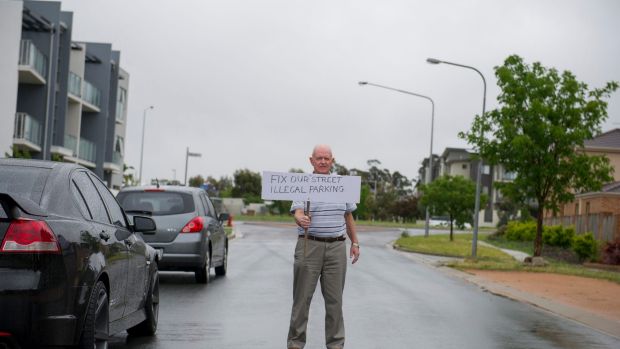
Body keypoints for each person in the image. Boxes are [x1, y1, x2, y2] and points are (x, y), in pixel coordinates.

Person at [287, 144, 360, 349]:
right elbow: (297, 212)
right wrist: (301, 219)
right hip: (309, 245)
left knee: (335, 303)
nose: (323, 162)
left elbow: (348, 216)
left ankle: (336, 345)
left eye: (326, 158)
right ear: (311, 160)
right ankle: (295, 344)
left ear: (332, 161)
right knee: (301, 301)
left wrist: (355, 242)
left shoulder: (342, 184)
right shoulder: (304, 183)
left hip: (336, 247)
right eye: (319, 158)